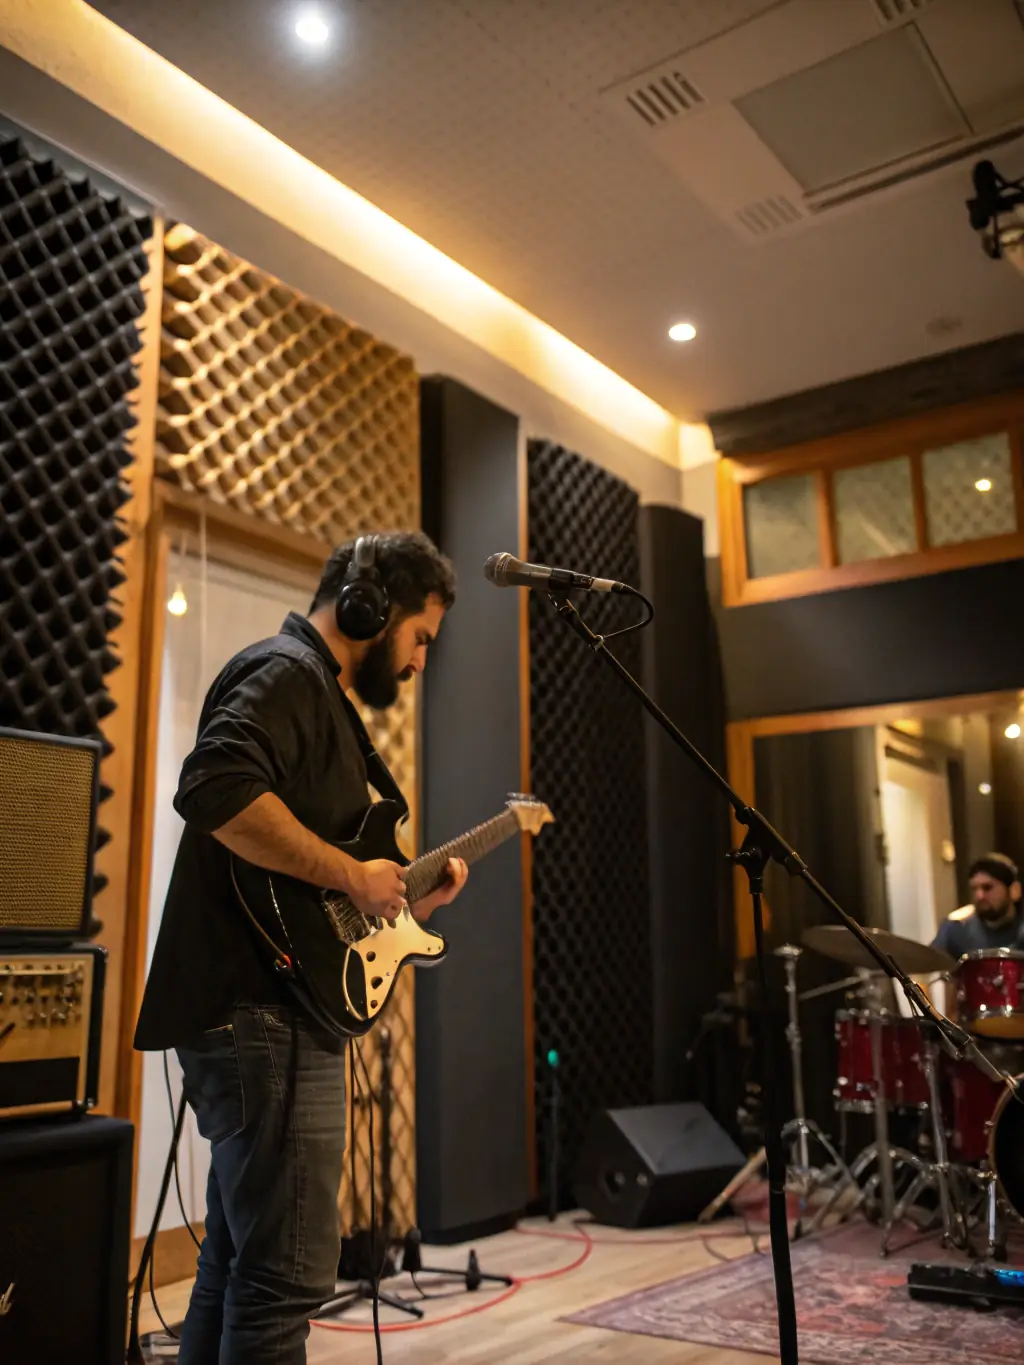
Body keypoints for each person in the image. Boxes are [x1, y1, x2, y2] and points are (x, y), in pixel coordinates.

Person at [134, 530, 469, 1365]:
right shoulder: (286, 672)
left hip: (262, 1012)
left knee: (239, 1263)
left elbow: (305, 886)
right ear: (372, 607)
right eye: (421, 636)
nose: (422, 659)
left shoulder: (313, 690)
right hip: (261, 1019)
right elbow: (213, 788)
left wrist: (389, 891)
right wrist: (355, 874)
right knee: (283, 1279)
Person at [932, 852, 1023, 958]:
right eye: (974, 889)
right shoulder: (956, 928)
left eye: (987, 887)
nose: (979, 896)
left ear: (1014, 890)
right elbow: (930, 964)